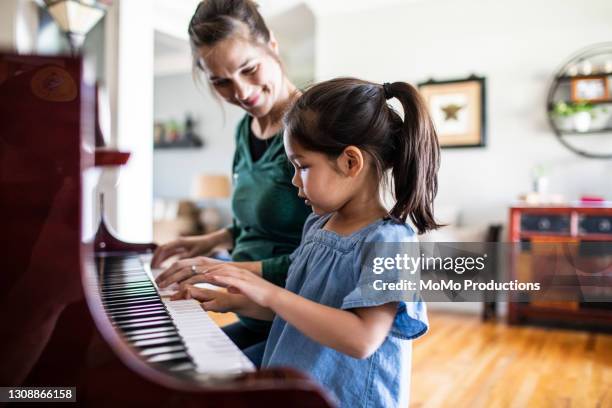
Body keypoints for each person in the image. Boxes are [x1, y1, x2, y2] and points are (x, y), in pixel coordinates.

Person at [177, 77, 442, 407]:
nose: (294, 180)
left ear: (350, 162)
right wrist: (234, 301)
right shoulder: (318, 224)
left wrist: (270, 294)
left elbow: (362, 339)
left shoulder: (390, 242)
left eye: (302, 166)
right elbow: (302, 311)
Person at [152, 0, 310, 363]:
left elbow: (327, 254)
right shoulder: (246, 129)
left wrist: (219, 269)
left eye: (248, 69)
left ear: (272, 46)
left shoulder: (311, 128)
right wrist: (211, 241)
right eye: (220, 81)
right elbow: (254, 225)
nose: (240, 91)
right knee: (175, 366)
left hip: (293, 320)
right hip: (253, 316)